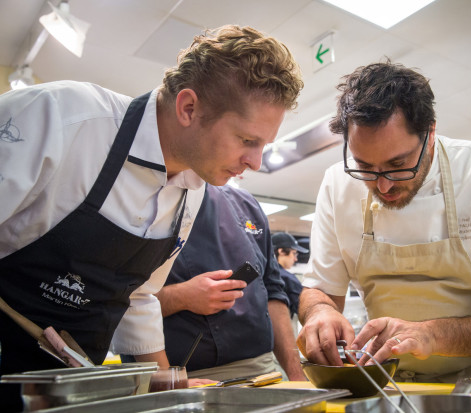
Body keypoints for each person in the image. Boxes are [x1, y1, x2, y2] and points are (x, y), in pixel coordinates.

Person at [0, 24, 302, 410]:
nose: (256, 162)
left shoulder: (190, 192)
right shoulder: (60, 119)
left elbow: (139, 295)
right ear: (188, 108)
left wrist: (167, 388)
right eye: (247, 140)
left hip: (63, 388)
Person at [296, 61, 471, 396]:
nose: (383, 185)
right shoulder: (336, 184)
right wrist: (319, 311)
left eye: (398, 165)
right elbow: (320, 288)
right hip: (387, 386)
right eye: (365, 167)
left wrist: (432, 334)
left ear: (430, 133)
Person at [123, 184, 305, 382]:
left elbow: (273, 291)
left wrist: (296, 376)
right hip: (180, 377)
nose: (254, 163)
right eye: (245, 149)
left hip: (263, 371)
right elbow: (120, 302)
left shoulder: (246, 204)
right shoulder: (136, 202)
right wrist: (180, 296)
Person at [272, 232, 308, 319]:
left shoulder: (261, 274)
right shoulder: (288, 278)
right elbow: (304, 307)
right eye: (294, 253)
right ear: (281, 252)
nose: (295, 259)